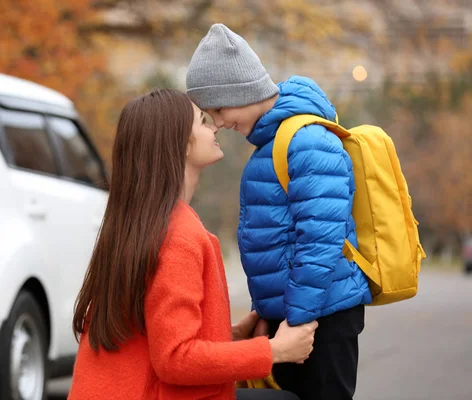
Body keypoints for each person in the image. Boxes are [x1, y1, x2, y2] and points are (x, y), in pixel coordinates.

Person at [67, 88, 318, 400]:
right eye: (202, 121)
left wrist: (231, 335)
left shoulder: (138, 224)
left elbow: (151, 334)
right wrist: (274, 351)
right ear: (180, 145)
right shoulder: (178, 235)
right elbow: (175, 359)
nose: (214, 126)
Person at [185, 24, 373, 400]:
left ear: (243, 90)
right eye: (209, 114)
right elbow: (279, 241)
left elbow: (320, 240)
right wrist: (265, 315)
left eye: (219, 108)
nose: (218, 122)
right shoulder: (273, 144)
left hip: (321, 318)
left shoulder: (307, 140)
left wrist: (296, 323)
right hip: (291, 318)